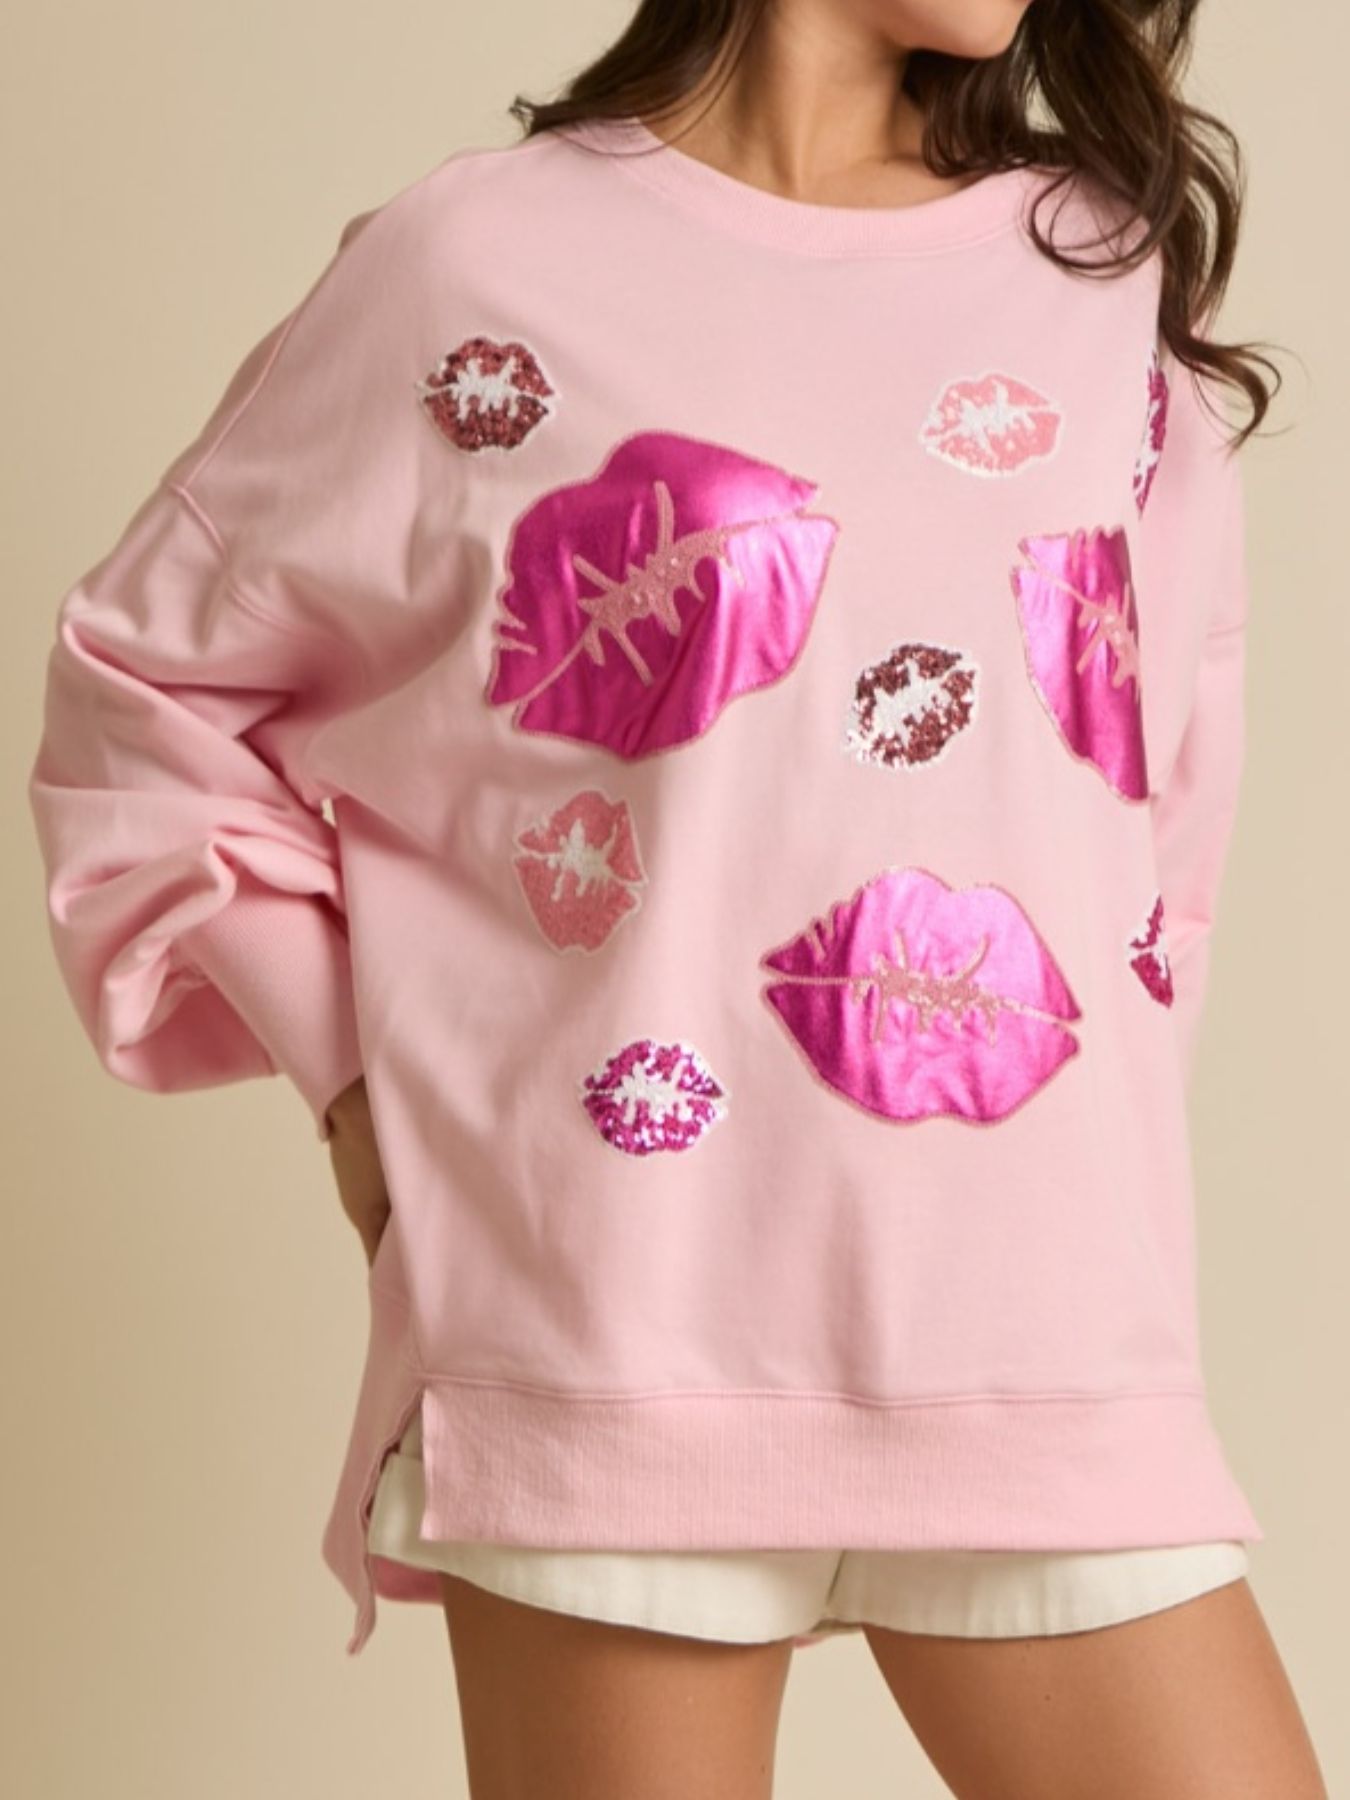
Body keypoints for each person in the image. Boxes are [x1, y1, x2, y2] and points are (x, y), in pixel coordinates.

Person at [27, 0, 1329, 1793]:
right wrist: (349, 1091)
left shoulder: (1092, 277)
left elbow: (1148, 840)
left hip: (1028, 1331)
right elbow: (142, 698)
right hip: (605, 1325)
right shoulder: (476, 262)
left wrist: (1073, 1211)